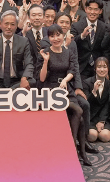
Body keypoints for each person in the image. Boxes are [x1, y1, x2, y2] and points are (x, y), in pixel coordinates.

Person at [37, 24, 90, 165]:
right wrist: (45, 62)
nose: (56, 38)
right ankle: (74, 147)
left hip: (66, 89)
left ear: (63, 35)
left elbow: (72, 70)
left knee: (80, 117)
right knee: (79, 112)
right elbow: (41, 78)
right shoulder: (45, 52)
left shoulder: (69, 52)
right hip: (51, 90)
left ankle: (80, 151)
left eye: (58, 35)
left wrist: (66, 80)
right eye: (52, 36)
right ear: (48, 38)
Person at [85, 57, 110, 144]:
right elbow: (86, 104)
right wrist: (93, 92)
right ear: (95, 69)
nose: (102, 70)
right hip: (90, 117)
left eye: (104, 67)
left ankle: (100, 129)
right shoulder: (87, 83)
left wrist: (102, 121)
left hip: (103, 117)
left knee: (105, 136)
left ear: (108, 69)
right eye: (99, 67)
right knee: (92, 136)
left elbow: (108, 104)